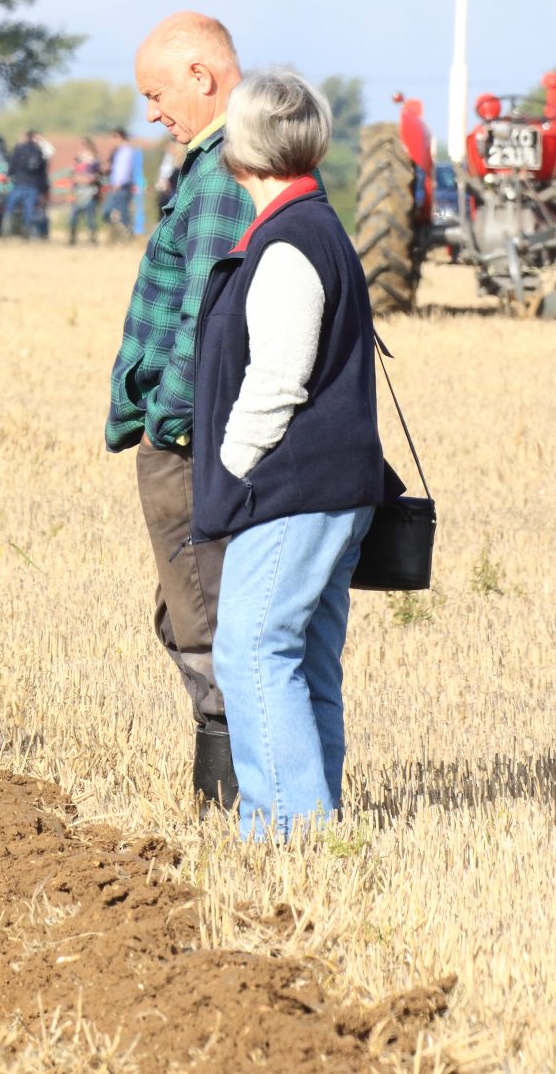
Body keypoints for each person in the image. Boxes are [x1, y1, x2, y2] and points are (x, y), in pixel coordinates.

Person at [192, 69, 390, 840]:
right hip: (338, 486)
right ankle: (313, 822)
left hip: (292, 488)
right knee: (304, 659)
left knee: (251, 650)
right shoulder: (322, 224)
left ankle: (291, 829)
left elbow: (277, 381)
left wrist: (231, 469)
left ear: (240, 149)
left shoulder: (286, 244)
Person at [104, 10, 253, 811]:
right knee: (188, 610)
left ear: (203, 75)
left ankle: (229, 796)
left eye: (158, 92)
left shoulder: (228, 166)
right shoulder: (213, 161)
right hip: (184, 430)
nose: (152, 111)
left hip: (191, 436)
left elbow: (209, 313)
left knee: (203, 618)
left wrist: (171, 418)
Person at [4, 129, 50, 240]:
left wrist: (9, 176)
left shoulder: (18, 149)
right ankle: (26, 232)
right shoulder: (39, 152)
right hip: (32, 186)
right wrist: (44, 188)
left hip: (19, 183)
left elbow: (11, 166)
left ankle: (7, 231)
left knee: (9, 208)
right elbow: (42, 172)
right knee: (29, 210)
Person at [103, 128, 142, 235]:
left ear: (120, 137)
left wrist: (119, 183)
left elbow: (126, 170)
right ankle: (118, 235)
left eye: (113, 138)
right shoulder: (117, 152)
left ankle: (128, 235)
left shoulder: (127, 151)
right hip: (115, 186)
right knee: (109, 212)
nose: (111, 141)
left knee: (122, 213)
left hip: (122, 186)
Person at [67, 138, 103, 245]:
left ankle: (92, 239)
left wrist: (85, 179)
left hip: (90, 193)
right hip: (78, 192)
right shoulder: (77, 160)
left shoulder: (95, 162)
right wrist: (79, 179)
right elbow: (72, 175)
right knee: (73, 217)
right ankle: (72, 238)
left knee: (90, 218)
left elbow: (96, 177)